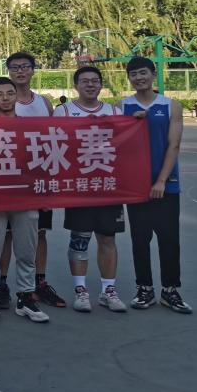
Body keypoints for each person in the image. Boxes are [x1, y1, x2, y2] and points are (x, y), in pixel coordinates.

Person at [54, 66, 127, 312]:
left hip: (107, 186)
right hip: (79, 186)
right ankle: (81, 290)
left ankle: (108, 290)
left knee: (108, 238)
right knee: (80, 238)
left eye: (95, 80)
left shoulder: (114, 112)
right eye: (85, 81)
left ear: (101, 85)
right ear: (76, 85)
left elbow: (126, 145)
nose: (90, 84)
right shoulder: (63, 111)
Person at [0, 77, 49, 323]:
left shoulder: (29, 127)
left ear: (16, 96)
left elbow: (41, 160)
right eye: (0, 94)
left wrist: (43, 193)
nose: (5, 98)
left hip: (24, 197)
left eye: (9, 93)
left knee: (27, 250)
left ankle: (26, 297)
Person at [121, 57, 191, 313]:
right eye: (133, 74)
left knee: (169, 238)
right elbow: (116, 142)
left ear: (153, 74)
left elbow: (174, 145)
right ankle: (145, 288)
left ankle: (170, 290)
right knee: (140, 238)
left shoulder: (171, 105)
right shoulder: (122, 106)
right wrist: (132, 123)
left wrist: (161, 180)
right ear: (129, 79)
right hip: (136, 185)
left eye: (143, 73)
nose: (139, 78)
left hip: (166, 184)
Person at [6, 51, 65, 309]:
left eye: (25, 66)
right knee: (8, 234)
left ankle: (39, 282)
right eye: (15, 67)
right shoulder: (1, 102)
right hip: (12, 177)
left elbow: (53, 139)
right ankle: (2, 284)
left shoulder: (44, 103)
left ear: (32, 70)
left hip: (40, 177)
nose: (20, 71)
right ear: (9, 72)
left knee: (40, 233)